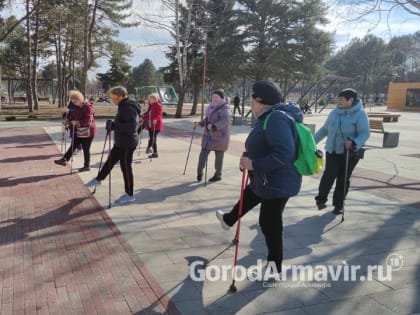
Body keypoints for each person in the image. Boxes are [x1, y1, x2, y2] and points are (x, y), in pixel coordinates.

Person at [215, 80, 302, 275]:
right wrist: (249, 159)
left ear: (261, 101)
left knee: (270, 223)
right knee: (252, 194)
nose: (250, 103)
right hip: (266, 179)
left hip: (276, 182)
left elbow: (284, 153)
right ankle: (229, 220)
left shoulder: (276, 119)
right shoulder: (268, 117)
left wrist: (254, 164)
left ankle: (274, 267)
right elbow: (265, 145)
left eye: (252, 99)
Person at [314, 88, 370, 214]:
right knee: (329, 174)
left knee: (343, 178)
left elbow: (364, 133)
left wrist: (354, 142)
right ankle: (321, 200)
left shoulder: (360, 114)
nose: (339, 102)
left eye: (342, 99)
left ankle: (338, 205)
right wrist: (311, 142)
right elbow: (324, 130)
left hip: (349, 152)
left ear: (351, 100)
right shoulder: (334, 112)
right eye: (338, 99)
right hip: (332, 150)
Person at [85, 86, 141, 204]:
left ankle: (129, 194)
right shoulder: (124, 106)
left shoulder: (128, 107)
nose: (112, 100)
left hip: (128, 143)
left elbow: (132, 126)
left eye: (113, 97)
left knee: (125, 168)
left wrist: (115, 126)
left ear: (120, 97)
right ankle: (99, 179)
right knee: (111, 160)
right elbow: (124, 122)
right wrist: (113, 124)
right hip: (121, 141)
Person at [54, 90, 96, 172]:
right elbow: (73, 117)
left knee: (86, 148)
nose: (73, 103)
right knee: (74, 144)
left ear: (80, 99)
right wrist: (68, 122)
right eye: (72, 101)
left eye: (75, 101)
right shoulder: (76, 106)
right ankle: (65, 159)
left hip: (88, 131)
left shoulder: (87, 106)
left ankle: (86, 166)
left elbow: (87, 120)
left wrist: (76, 122)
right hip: (79, 129)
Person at [194, 89, 230, 182]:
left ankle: (218, 175)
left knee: (219, 157)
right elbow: (207, 119)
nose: (214, 99)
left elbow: (225, 121)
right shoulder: (211, 107)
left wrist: (214, 126)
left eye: (216, 97)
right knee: (203, 155)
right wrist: (200, 124)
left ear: (221, 98)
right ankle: (199, 173)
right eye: (213, 97)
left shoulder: (225, 108)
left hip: (220, 137)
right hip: (208, 135)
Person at [141, 93, 163, 158]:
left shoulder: (158, 106)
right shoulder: (151, 106)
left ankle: (149, 148)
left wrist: (156, 119)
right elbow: (148, 115)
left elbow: (159, 114)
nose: (150, 101)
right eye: (150, 100)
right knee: (152, 139)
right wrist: (142, 117)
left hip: (156, 125)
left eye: (152, 99)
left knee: (152, 138)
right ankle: (155, 153)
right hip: (151, 125)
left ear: (156, 99)